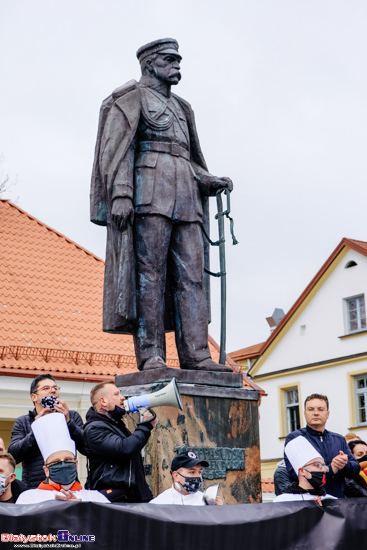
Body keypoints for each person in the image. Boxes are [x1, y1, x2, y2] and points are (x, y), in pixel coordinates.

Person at [90, 38, 233, 373]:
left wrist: (207, 179)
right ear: (150, 63)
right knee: (149, 277)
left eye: (179, 60)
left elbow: (186, 155)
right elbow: (118, 149)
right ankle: (152, 355)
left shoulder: (183, 107)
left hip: (186, 198)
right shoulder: (130, 98)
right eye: (170, 60)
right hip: (148, 196)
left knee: (192, 278)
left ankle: (197, 355)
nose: (177, 66)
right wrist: (122, 192)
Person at [84, 380, 157, 502]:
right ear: (103, 401)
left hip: (130, 495)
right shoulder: (94, 429)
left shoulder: (115, 425)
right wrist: (145, 426)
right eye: (116, 394)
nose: (122, 398)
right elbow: (125, 448)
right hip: (116, 499)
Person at [8, 374, 85, 488]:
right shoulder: (23, 422)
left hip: (68, 485)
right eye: (46, 388)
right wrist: (37, 427)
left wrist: (68, 422)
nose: (52, 391)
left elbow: (86, 447)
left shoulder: (72, 416)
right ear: (34, 397)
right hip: (35, 487)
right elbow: (14, 455)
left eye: (55, 388)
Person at [17, 414, 108, 504]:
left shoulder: (95, 497)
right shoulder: (29, 498)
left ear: (76, 465)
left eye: (68, 460)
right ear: (46, 470)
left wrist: (80, 509)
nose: (63, 464)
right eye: (55, 462)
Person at [284, 393, 360, 498]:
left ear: (327, 413)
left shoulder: (339, 439)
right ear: (305, 413)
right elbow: (295, 474)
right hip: (310, 502)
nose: (315, 413)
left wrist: (344, 465)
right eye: (311, 409)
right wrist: (331, 469)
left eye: (320, 409)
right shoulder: (295, 439)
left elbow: (356, 470)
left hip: (337, 502)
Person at [274, 436, 336, 503]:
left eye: (324, 465)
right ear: (302, 471)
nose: (324, 470)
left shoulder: (331, 500)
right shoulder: (283, 501)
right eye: (318, 465)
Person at [150, 450, 223, 505]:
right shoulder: (160, 503)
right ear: (176, 476)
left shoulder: (206, 501)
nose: (197, 476)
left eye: (199, 472)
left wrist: (218, 512)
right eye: (192, 472)